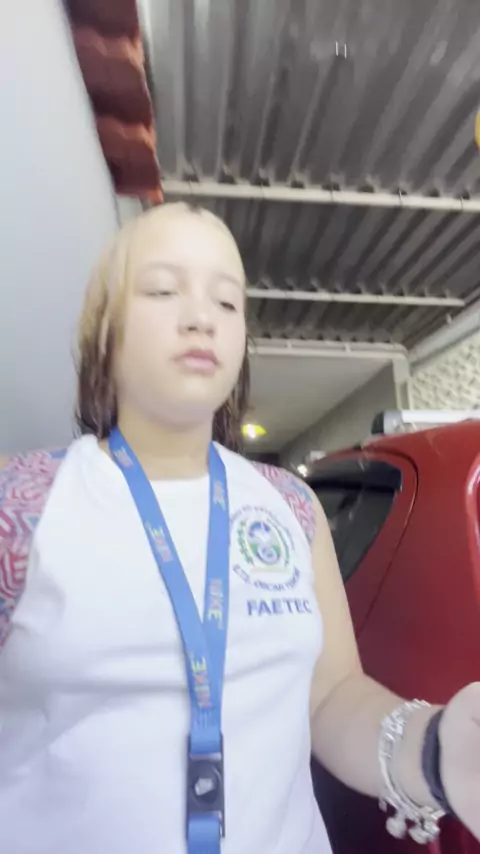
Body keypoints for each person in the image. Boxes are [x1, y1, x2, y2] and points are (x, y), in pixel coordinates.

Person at [0, 202, 479, 854]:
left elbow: (332, 699)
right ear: (102, 326)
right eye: (163, 290)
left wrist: (437, 749)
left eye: (227, 302)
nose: (202, 317)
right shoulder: (23, 502)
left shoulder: (290, 506)